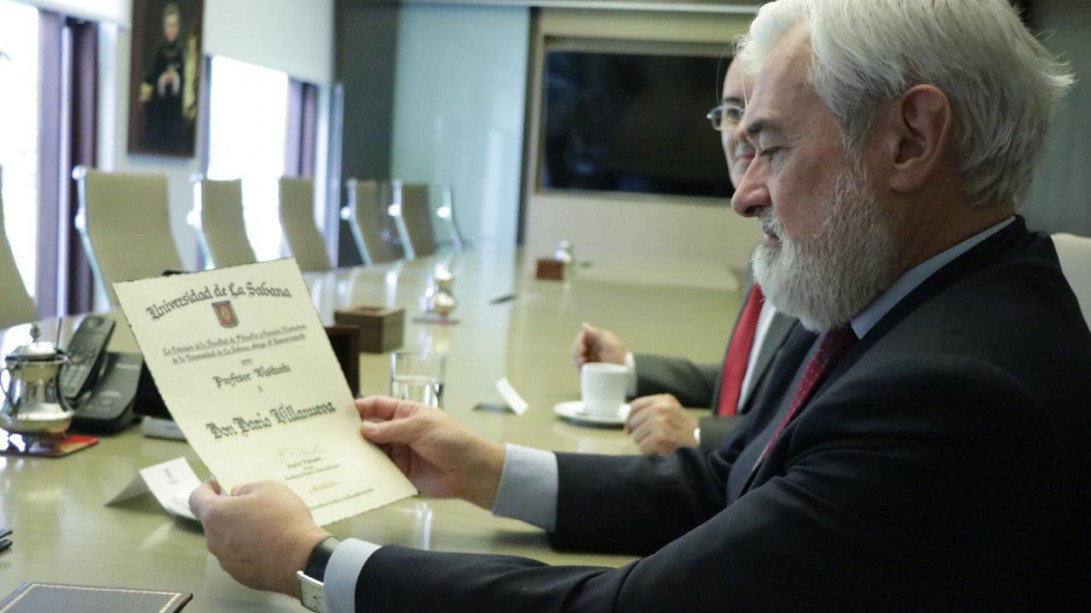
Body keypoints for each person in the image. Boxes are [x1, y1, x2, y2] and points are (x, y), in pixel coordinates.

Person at [191, 1, 1091, 611]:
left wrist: (314, 562)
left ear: (910, 138)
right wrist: (488, 467)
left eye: (770, 147)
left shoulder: (952, 392)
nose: (742, 194)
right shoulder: (899, 307)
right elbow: (722, 482)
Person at [573, 58, 799, 456]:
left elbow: (807, 414)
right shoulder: (768, 247)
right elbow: (750, 381)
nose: (742, 131)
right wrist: (629, 368)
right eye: (732, 111)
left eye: (759, 114)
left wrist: (699, 435)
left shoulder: (821, 260)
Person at [139, 3, 187, 151]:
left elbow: (185, 80)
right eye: (168, 25)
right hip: (158, 108)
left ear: (178, 27)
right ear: (164, 27)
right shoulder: (158, 50)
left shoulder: (181, 51)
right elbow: (151, 76)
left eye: (174, 25)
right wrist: (162, 78)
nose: (171, 30)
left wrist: (176, 78)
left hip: (174, 109)